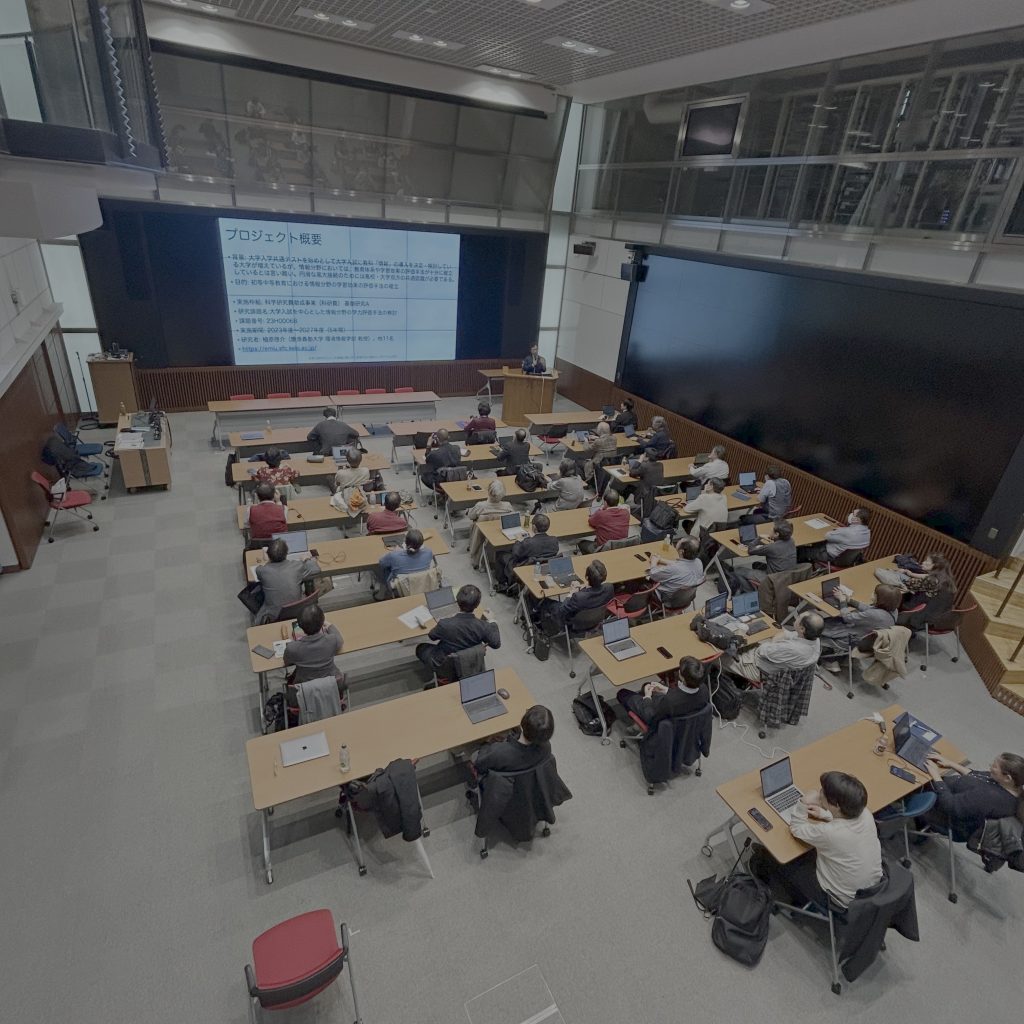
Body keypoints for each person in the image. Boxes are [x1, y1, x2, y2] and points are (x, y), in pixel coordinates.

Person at [751, 771, 883, 908]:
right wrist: (825, 814)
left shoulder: (830, 833)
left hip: (840, 900)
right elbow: (845, 822)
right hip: (872, 889)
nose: (819, 793)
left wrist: (803, 803)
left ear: (837, 806)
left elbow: (796, 828)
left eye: (823, 792)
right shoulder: (865, 814)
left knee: (782, 859)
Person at [920, 751, 1024, 842]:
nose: (991, 766)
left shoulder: (990, 798)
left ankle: (919, 825)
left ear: (1007, 778)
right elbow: (977, 776)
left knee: (915, 785)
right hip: (947, 791)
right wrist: (950, 764)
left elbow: (950, 805)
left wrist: (936, 776)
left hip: (948, 819)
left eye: (995, 766)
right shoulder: (1008, 784)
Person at [415, 584, 501, 673]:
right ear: (477, 605)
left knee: (420, 648)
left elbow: (432, 636)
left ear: (457, 601)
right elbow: (496, 644)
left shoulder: (445, 624)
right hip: (470, 663)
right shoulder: (483, 626)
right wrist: (492, 621)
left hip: (445, 664)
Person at [819, 583, 902, 670]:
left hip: (852, 640)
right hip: (868, 642)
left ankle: (831, 660)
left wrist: (842, 601)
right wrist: (849, 600)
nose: (872, 594)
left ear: (881, 600)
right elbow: (869, 609)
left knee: (822, 623)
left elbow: (847, 617)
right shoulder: (893, 611)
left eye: (875, 594)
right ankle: (841, 658)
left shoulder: (875, 615)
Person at [727, 610, 824, 684]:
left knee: (721, 655)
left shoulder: (792, 649)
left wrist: (773, 643)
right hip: (773, 661)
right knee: (747, 641)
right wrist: (774, 644)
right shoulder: (814, 640)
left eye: (799, 617)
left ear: (802, 629)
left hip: (758, 668)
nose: (796, 617)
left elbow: (762, 651)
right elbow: (786, 633)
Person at [617, 655, 710, 727]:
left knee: (623, 693)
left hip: (662, 727)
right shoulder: (704, 690)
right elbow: (683, 698)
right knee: (647, 685)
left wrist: (647, 698)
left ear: (682, 678)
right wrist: (665, 690)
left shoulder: (669, 701)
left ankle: (637, 725)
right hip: (685, 724)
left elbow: (650, 717)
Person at [535, 559, 614, 635]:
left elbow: (561, 610)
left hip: (575, 624)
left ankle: (540, 624)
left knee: (545, 601)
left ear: (587, 577)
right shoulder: (609, 587)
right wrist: (584, 588)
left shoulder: (578, 597)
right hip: (595, 620)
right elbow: (593, 592)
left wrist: (571, 593)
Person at [254, 538, 320, 623]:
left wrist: (267, 561)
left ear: (268, 554)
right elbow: (316, 570)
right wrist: (306, 559)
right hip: (297, 609)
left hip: (274, 615)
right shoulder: (297, 566)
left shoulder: (261, 570)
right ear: (286, 554)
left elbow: (260, 572)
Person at [473, 705, 554, 773]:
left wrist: (486, 742)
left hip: (500, 782)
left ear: (523, 721)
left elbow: (479, 765)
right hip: (524, 780)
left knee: (473, 755)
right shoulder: (546, 747)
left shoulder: (499, 752)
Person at [282, 602, 344, 686]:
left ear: (300, 625)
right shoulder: (332, 640)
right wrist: (330, 626)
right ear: (322, 623)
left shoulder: (292, 648)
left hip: (305, 688)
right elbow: (340, 641)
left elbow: (287, 662)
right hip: (331, 684)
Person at [496, 513, 559, 591]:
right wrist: (532, 538)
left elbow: (515, 555)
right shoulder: (554, 540)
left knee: (500, 554)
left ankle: (503, 583)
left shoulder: (528, 543)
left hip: (524, 566)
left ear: (534, 527)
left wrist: (518, 541)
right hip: (543, 569)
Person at [897, 552, 956, 629]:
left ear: (935, 565)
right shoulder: (947, 579)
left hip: (922, 618)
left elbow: (908, 583)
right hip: (939, 618)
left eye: (927, 561)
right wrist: (911, 574)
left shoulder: (931, 580)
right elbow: (927, 577)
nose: (923, 562)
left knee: (899, 592)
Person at [734, 519, 798, 588]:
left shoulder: (771, 547)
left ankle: (750, 591)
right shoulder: (791, 541)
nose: (770, 531)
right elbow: (779, 547)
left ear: (777, 534)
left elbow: (751, 550)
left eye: (771, 530)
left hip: (773, 579)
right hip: (787, 576)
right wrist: (773, 540)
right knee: (756, 564)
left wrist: (759, 538)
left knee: (738, 570)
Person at [799, 508, 871, 565]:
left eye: (853, 514)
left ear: (858, 520)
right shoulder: (867, 532)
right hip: (848, 560)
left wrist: (840, 530)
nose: (850, 515)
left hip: (831, 557)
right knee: (817, 544)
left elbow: (828, 536)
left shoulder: (847, 532)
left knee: (801, 550)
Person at [648, 536, 705, 603]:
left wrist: (654, 562)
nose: (678, 541)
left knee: (644, 581)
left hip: (668, 600)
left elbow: (653, 574)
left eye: (680, 540)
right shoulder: (699, 562)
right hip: (687, 598)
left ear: (681, 551)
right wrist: (661, 560)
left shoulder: (673, 569)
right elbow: (682, 565)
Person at [578, 489, 630, 554]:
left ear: (605, 502)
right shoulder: (626, 513)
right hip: (620, 547)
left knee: (582, 544)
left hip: (604, 549)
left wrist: (600, 509)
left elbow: (591, 521)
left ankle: (592, 557)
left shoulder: (601, 514)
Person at [583, 421, 617, 486]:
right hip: (610, 462)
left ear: (600, 431)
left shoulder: (598, 441)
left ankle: (587, 481)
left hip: (598, 463)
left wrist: (586, 441)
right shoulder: (614, 438)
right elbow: (606, 440)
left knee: (580, 462)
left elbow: (586, 449)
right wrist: (598, 438)